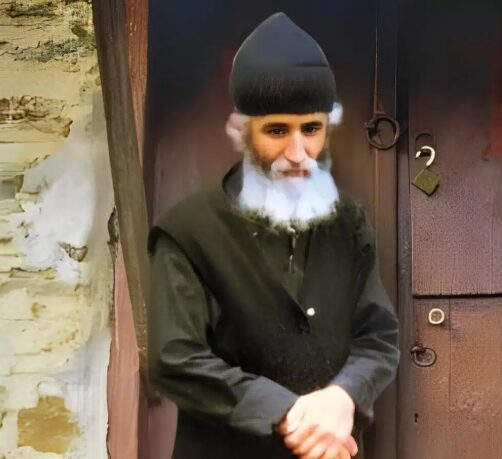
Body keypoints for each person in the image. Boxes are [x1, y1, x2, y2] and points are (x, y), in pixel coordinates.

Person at [147, 12, 400, 459]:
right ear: (242, 131)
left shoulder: (349, 224)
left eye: (311, 129)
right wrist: (291, 414)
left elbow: (377, 337)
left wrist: (343, 397)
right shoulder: (187, 231)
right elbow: (176, 359)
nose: (298, 153)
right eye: (277, 131)